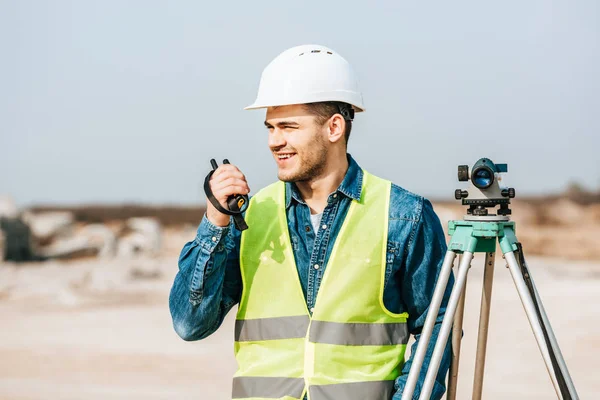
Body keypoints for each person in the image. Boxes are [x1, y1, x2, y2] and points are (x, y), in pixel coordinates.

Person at [169, 44, 454, 400]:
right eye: (270, 127)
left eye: (288, 126)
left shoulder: (402, 215)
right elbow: (189, 324)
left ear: (334, 127)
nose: (275, 141)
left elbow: (438, 330)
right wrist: (215, 221)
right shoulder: (250, 216)